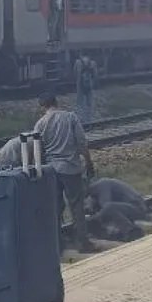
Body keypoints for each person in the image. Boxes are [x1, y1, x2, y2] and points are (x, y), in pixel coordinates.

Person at [33, 90, 98, 254]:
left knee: (55, 207)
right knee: (76, 205)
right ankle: (83, 243)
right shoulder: (70, 117)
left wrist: (40, 170)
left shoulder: (40, 124)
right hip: (70, 168)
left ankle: (57, 244)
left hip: (51, 170)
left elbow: (37, 151)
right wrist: (89, 162)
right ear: (57, 102)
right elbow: (82, 143)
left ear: (43, 106)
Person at [85, 177, 148, 242]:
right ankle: (115, 233)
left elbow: (106, 208)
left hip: (137, 208)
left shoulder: (102, 185)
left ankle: (132, 231)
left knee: (109, 207)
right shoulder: (96, 191)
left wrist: (92, 219)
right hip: (129, 209)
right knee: (106, 211)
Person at [74, 53, 98, 124]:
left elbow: (74, 72)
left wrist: (78, 80)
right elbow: (95, 75)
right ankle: (89, 119)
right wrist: (92, 82)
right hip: (89, 85)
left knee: (80, 103)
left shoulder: (77, 62)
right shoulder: (93, 63)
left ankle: (81, 119)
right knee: (89, 103)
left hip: (80, 85)